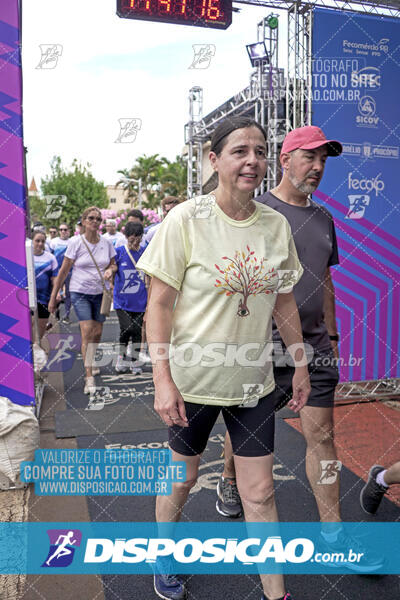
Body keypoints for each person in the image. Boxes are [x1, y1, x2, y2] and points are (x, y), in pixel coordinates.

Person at [137, 117, 310, 600]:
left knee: (260, 493)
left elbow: (284, 302)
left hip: (252, 385)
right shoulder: (186, 220)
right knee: (183, 480)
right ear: (214, 160)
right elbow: (160, 304)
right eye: (239, 151)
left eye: (259, 150)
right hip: (191, 382)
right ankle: (163, 556)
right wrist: (162, 379)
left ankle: (277, 594)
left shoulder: (276, 225)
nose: (252, 160)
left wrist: (298, 363)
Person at [217, 125, 383, 572]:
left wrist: (330, 337)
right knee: (247, 432)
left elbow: (324, 282)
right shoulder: (254, 210)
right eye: (309, 157)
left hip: (312, 347)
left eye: (324, 160)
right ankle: (229, 477)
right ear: (285, 159)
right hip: (257, 347)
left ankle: (333, 535)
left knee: (323, 437)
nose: (317, 167)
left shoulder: (325, 219)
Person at [48, 206, 117, 394]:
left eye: (98, 219)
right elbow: (63, 271)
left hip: (101, 293)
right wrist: (54, 297)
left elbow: (113, 263)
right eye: (91, 218)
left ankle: (91, 359)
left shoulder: (107, 244)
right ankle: (89, 378)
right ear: (84, 222)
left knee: (97, 332)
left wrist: (111, 270)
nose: (95, 222)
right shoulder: (75, 243)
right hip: (79, 292)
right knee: (87, 330)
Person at [113, 221, 148, 375]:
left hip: (141, 300)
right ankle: (121, 357)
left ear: (141, 237)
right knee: (126, 328)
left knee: (137, 331)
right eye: (131, 238)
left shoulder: (146, 252)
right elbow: (112, 267)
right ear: (126, 237)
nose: (134, 241)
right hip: (122, 300)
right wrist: (110, 271)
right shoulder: (119, 252)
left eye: (137, 238)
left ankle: (134, 362)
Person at [32, 230, 59, 340]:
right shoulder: (24, 257)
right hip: (27, 299)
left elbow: (55, 279)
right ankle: (29, 354)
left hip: (44, 299)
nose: (40, 244)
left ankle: (36, 350)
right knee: (30, 329)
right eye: (37, 241)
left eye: (42, 241)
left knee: (40, 331)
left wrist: (56, 294)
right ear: (32, 241)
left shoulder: (50, 258)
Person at [50, 223, 72, 323]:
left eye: (65, 229)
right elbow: (50, 257)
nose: (63, 231)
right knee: (56, 292)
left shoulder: (72, 242)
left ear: (69, 231)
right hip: (57, 272)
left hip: (69, 272)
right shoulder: (53, 242)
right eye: (61, 229)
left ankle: (67, 315)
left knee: (68, 294)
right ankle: (56, 310)